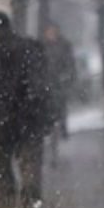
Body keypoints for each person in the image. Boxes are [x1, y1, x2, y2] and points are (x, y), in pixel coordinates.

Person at [0, 11, 52, 208]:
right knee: (30, 168)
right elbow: (44, 86)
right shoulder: (32, 49)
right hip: (30, 121)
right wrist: (42, 114)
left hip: (1, 123)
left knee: (2, 171)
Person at [40, 22, 76, 159]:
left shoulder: (64, 45)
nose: (51, 34)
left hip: (60, 82)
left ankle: (62, 126)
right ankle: (49, 128)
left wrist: (66, 77)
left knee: (61, 105)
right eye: (48, 31)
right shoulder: (42, 46)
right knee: (47, 107)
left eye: (53, 31)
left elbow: (70, 64)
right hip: (46, 83)